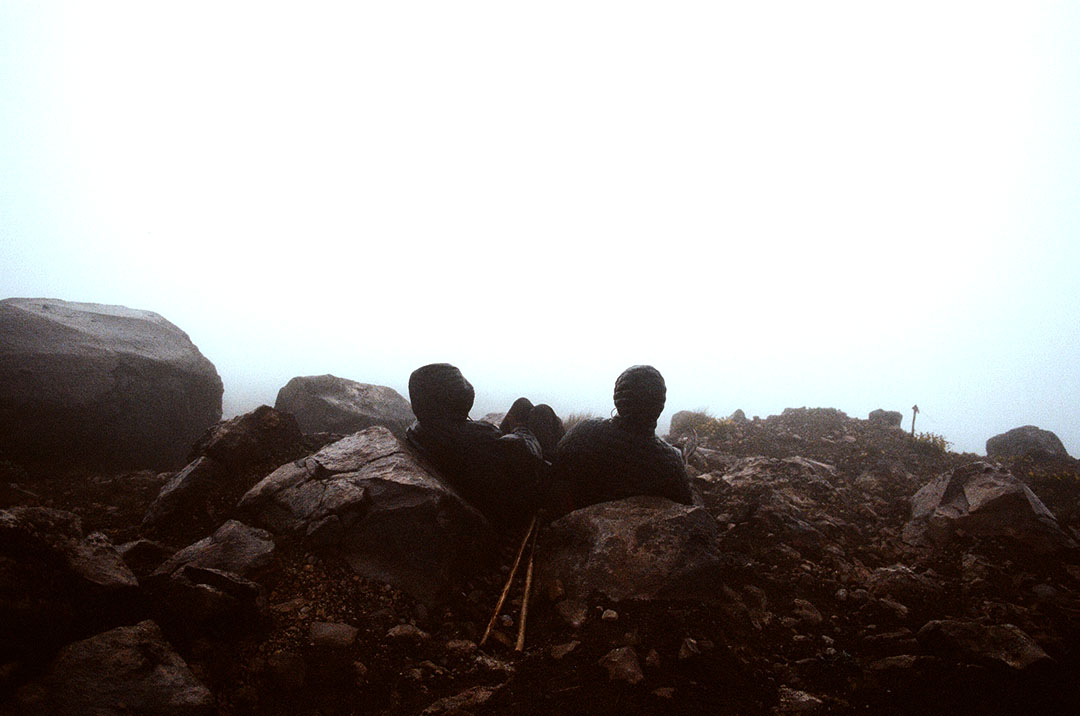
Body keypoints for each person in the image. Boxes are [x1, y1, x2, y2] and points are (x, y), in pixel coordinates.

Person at [405, 363, 545, 528]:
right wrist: (522, 429)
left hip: (484, 472)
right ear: (454, 399)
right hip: (510, 501)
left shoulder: (420, 429)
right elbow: (525, 453)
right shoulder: (475, 437)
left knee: (521, 404)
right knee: (542, 412)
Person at [551, 365, 692, 513]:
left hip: (571, 518)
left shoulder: (583, 432)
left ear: (617, 399)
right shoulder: (671, 464)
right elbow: (686, 506)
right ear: (660, 404)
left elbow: (556, 469)